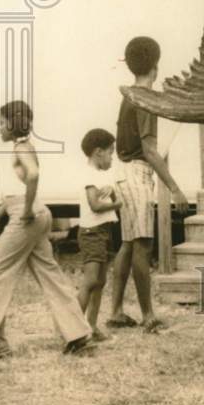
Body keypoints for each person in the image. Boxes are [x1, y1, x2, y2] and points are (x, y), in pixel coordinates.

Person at [0, 100, 94, 357]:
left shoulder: (21, 149)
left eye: (2, 122)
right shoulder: (24, 146)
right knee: (51, 275)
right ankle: (77, 333)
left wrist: (24, 211)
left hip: (28, 218)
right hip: (39, 215)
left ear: (12, 125)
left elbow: (33, 176)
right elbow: (18, 192)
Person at [107, 36, 189, 332]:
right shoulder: (144, 99)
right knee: (143, 245)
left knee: (129, 245)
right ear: (156, 66)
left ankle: (116, 311)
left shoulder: (129, 94)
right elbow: (150, 150)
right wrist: (175, 186)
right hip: (137, 173)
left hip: (123, 172)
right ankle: (148, 316)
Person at [77, 128, 122, 340]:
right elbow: (94, 205)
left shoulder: (99, 175)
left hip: (103, 230)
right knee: (91, 280)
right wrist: (118, 203)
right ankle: (74, 328)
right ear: (98, 152)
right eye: (110, 152)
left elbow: (104, 197)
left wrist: (112, 193)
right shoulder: (88, 174)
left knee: (101, 281)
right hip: (91, 232)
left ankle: (92, 326)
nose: (112, 157)